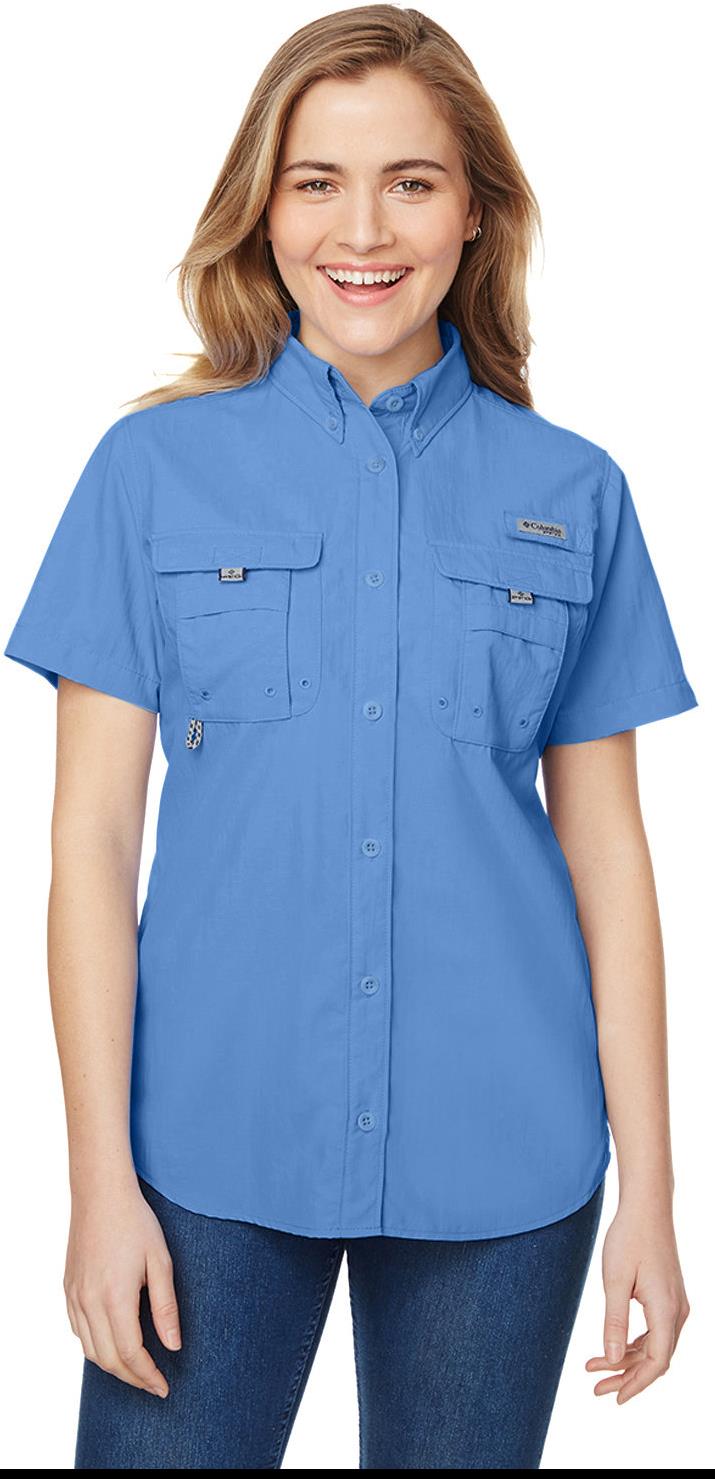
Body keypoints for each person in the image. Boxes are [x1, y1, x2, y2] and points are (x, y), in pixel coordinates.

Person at [3, 4, 698, 1470]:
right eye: (317, 181)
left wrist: (653, 1189)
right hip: (204, 1146)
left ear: (476, 211)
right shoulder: (148, 471)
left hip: (506, 1152)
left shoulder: (573, 491)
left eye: (412, 181)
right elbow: (91, 846)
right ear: (263, 209)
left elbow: (613, 861)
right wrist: (97, 1182)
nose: (363, 229)